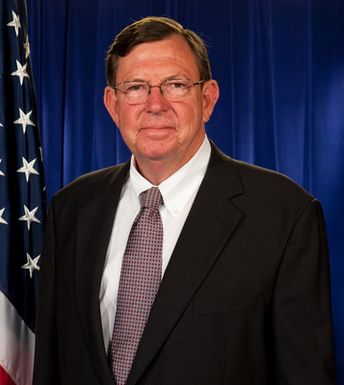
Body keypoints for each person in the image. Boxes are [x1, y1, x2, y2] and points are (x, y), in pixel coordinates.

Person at [33, 16, 336, 385]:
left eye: (175, 85)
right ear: (113, 105)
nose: (154, 104)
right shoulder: (71, 210)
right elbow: (51, 365)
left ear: (207, 99)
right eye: (136, 88)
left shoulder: (284, 215)